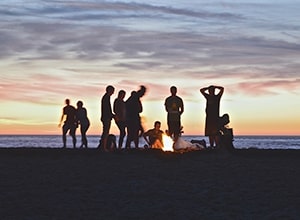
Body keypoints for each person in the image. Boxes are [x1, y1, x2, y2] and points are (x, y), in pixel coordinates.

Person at [99, 85, 115, 151]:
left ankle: (103, 146)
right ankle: (104, 147)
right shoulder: (106, 98)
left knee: (105, 132)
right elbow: (107, 109)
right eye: (112, 91)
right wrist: (112, 115)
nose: (113, 93)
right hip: (106, 117)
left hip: (105, 117)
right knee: (106, 132)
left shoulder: (106, 97)